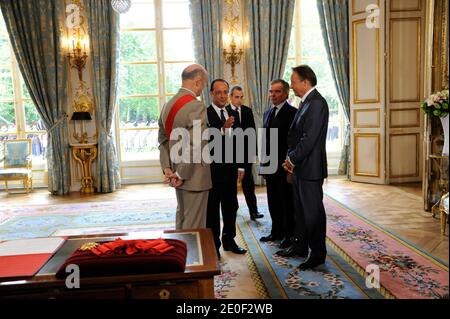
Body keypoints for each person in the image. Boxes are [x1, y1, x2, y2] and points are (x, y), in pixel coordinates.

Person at [279, 65, 329, 270]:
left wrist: (291, 160)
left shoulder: (317, 103)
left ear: (305, 82)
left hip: (310, 169)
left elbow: (309, 139)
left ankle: (317, 253)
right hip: (301, 168)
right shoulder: (306, 102)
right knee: (300, 211)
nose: (291, 85)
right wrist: (291, 160)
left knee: (313, 213)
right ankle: (300, 246)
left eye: (293, 81)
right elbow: (296, 136)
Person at [158, 64, 212, 230]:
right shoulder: (196, 106)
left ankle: (180, 253)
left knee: (182, 218)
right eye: (203, 84)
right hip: (193, 175)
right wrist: (181, 173)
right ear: (197, 81)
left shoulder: (167, 105)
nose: (202, 88)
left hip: (176, 171)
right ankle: (192, 256)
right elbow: (196, 145)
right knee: (194, 226)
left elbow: (163, 140)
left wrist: (168, 168)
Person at [206, 79, 247, 258]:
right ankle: (214, 245)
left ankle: (229, 241)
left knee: (231, 207)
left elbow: (240, 141)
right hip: (212, 171)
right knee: (213, 210)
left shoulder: (233, 112)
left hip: (231, 170)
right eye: (218, 92)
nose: (222, 96)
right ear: (211, 94)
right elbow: (203, 141)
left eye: (225, 92)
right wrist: (221, 129)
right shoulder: (204, 114)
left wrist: (241, 165)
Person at [259, 80, 297, 249]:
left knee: (286, 202)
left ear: (286, 94)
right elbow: (265, 141)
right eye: (271, 91)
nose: (273, 95)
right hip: (269, 164)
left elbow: (293, 142)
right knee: (272, 200)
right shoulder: (267, 113)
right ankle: (276, 231)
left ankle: (289, 235)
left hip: (284, 165)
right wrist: (263, 165)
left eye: (277, 91)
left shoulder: (293, 113)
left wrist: (291, 166)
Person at [226, 86, 263, 221]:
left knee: (249, 184)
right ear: (230, 97)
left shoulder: (247, 111)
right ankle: (232, 210)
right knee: (231, 186)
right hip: (230, 155)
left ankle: (254, 211)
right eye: (237, 97)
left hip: (246, 154)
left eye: (241, 97)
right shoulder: (225, 111)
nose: (239, 100)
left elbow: (252, 133)